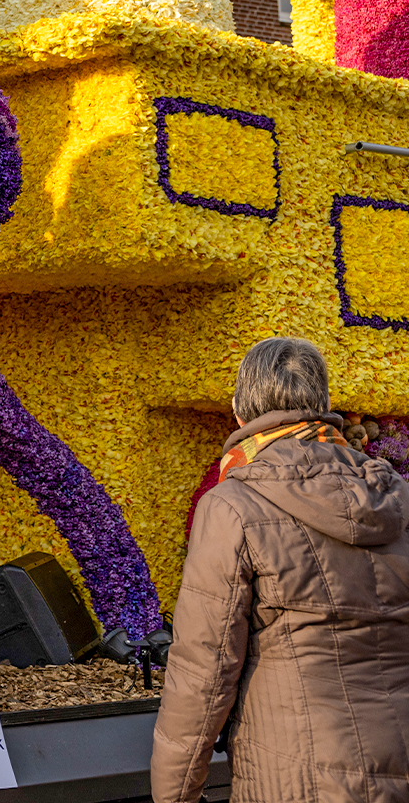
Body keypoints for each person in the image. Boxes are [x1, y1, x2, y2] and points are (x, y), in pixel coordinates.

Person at [151, 336, 409, 802]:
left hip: (292, 771)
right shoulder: (399, 500)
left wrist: (174, 794)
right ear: (325, 403)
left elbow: (204, 667)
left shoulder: (232, 505)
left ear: (238, 409)